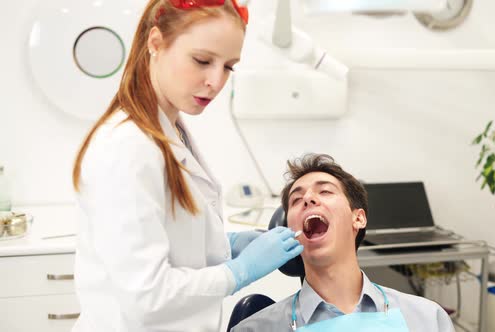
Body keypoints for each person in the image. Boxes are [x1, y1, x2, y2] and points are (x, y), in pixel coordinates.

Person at [70, 1, 303, 331]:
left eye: (228, 67)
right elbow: (146, 297)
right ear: (155, 43)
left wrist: (225, 244)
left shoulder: (169, 131)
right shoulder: (127, 149)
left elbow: (168, 232)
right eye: (203, 61)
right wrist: (240, 271)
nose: (216, 81)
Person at [231, 154, 455, 331]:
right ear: (290, 230)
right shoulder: (256, 329)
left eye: (325, 191)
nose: (308, 198)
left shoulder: (427, 319)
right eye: (297, 200)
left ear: (358, 218)